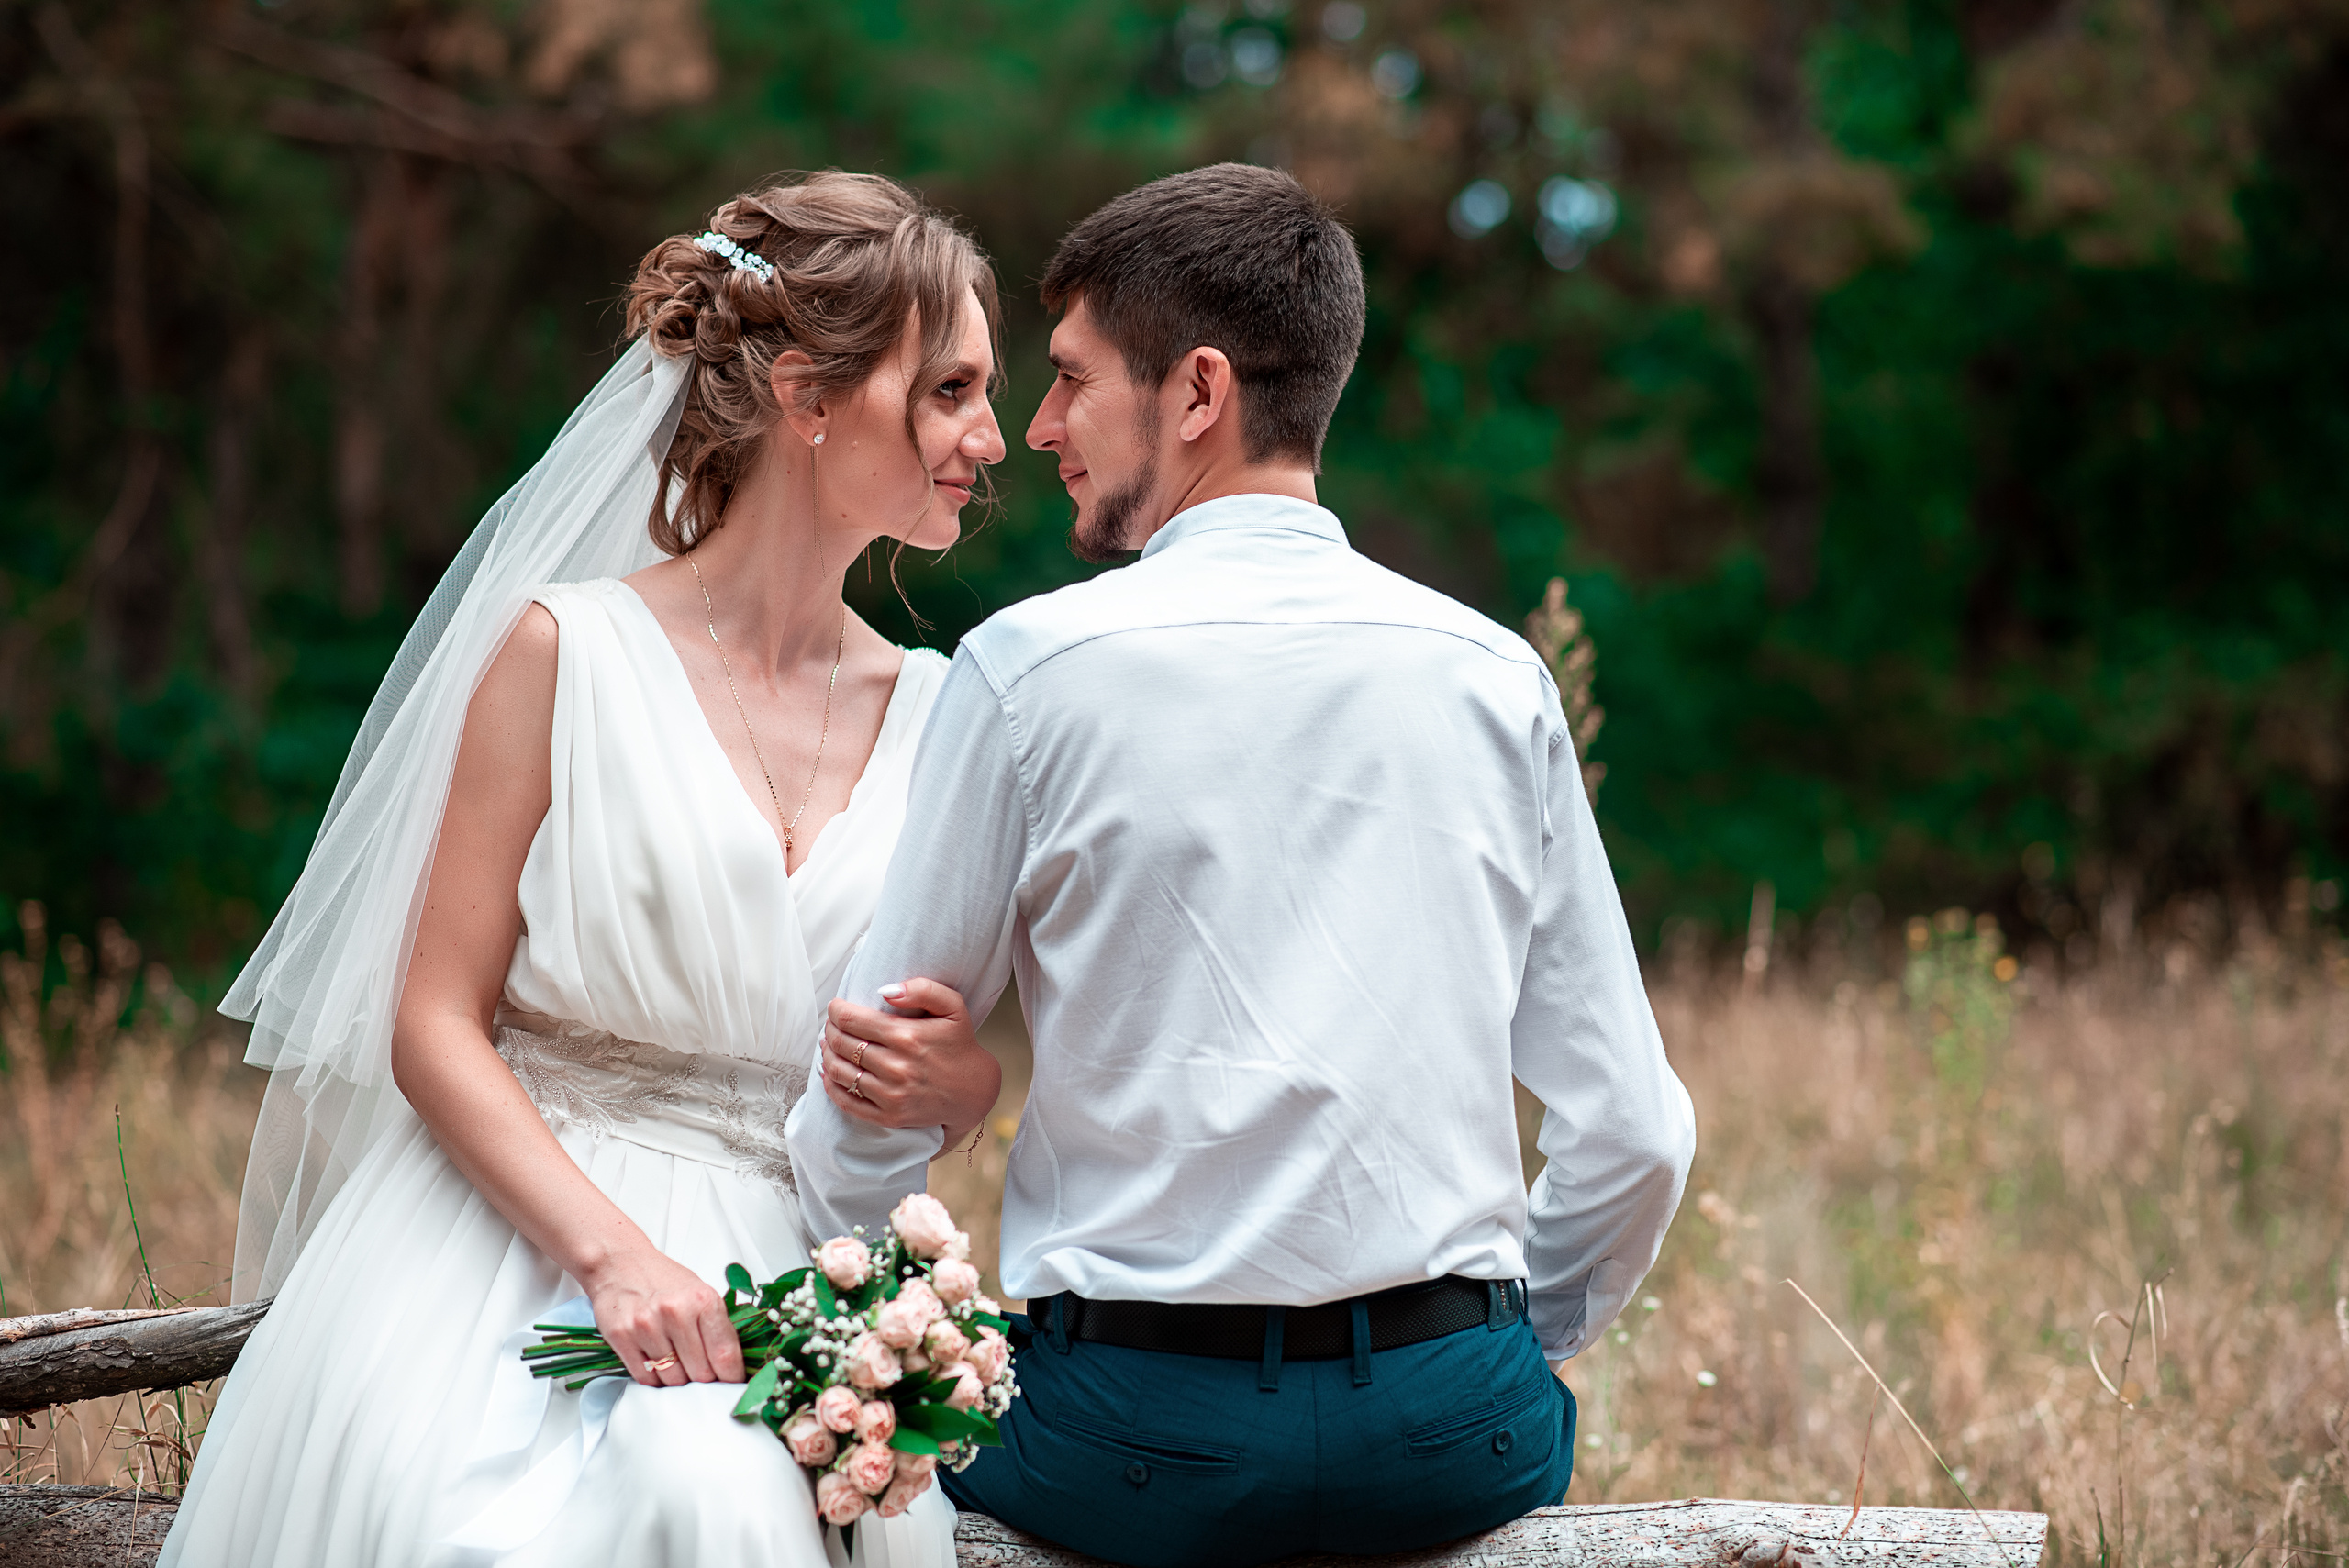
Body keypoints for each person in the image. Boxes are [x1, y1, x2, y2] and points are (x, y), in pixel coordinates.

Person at [790, 162, 1698, 1567]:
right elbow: (1638, 1131)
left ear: (1197, 391)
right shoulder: (1495, 678)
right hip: (1458, 1436)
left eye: (1074, 380)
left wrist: (854, 1337)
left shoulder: (1030, 670)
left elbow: (871, 1081)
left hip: (1128, 1443)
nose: (1040, 430)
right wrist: (1517, 1339)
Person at [161, 172, 1007, 1568]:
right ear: (808, 393)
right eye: (950, 389)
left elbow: (958, 1067)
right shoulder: (566, 651)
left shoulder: (944, 709)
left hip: (801, 1270)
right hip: (516, 1246)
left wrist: (957, 1086)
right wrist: (614, 1258)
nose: (990, 436)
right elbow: (432, 1018)